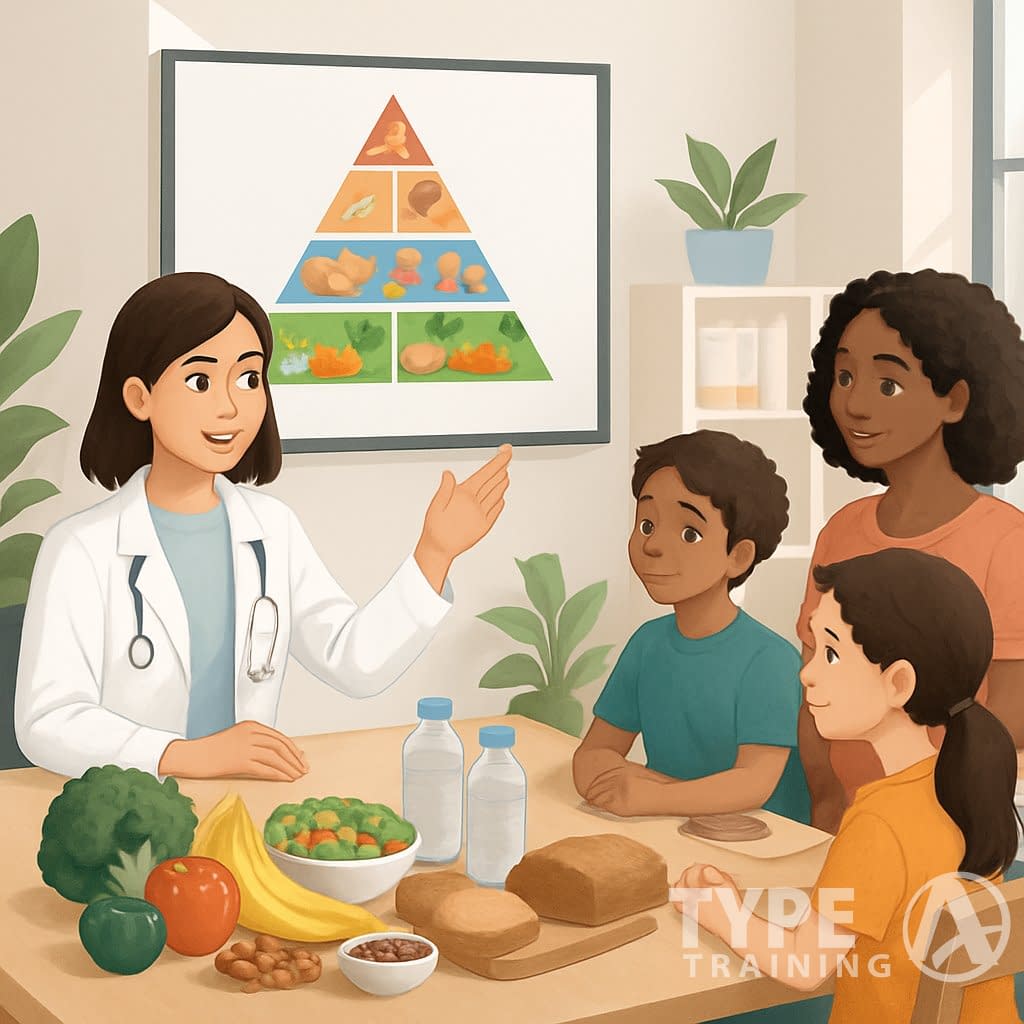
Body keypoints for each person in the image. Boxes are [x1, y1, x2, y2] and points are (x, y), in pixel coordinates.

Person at [14, 272, 511, 781]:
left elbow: (353, 663)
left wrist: (434, 552)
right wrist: (183, 755)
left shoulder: (272, 529)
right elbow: (47, 721)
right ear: (140, 398)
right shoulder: (80, 547)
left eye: (249, 378)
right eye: (200, 381)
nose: (230, 406)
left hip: (244, 803)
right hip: (129, 815)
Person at [673, 548, 1021, 1023]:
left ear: (899, 682)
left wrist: (718, 913)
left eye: (832, 653)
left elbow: (804, 964)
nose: (807, 674)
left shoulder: (880, 822)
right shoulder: (956, 790)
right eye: (815, 648)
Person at [797, 269, 1024, 834]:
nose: (855, 405)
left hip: (947, 829)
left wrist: (924, 814)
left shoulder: (1006, 543)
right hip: (849, 823)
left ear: (956, 401)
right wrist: (825, 800)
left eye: (887, 384)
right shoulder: (841, 532)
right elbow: (811, 682)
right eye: (844, 376)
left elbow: (1013, 718)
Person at [572, 430, 810, 825]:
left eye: (689, 533)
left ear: (739, 556)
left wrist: (651, 794)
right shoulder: (648, 644)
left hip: (758, 845)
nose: (653, 546)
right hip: (669, 830)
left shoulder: (768, 660)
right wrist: (652, 790)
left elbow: (754, 784)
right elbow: (591, 756)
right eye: (647, 524)